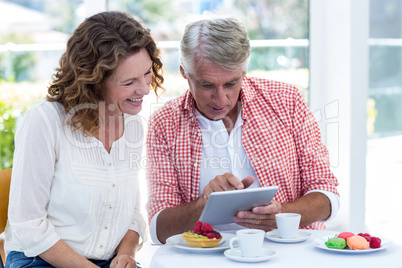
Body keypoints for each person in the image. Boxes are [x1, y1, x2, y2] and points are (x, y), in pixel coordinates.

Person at [146, 16, 339, 244]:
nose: (221, 98)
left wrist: (281, 215)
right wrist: (204, 203)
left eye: (231, 83)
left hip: (285, 248)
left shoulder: (287, 102)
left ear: (243, 72)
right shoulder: (164, 123)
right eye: (207, 84)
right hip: (206, 255)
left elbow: (328, 198)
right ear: (184, 72)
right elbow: (159, 231)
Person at [4, 11, 163, 268]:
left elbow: (132, 213)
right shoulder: (45, 121)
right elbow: (28, 225)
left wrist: (127, 254)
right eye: (129, 81)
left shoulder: (132, 122)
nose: (144, 89)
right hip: (39, 259)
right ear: (94, 82)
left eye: (146, 73)